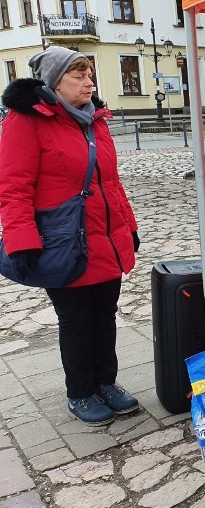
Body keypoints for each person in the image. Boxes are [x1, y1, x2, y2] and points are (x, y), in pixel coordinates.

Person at [0, 46, 140, 427]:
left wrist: (129, 226)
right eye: (78, 76)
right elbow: (13, 187)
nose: (89, 82)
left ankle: (105, 383)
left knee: (105, 316)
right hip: (64, 242)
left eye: (89, 74)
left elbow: (110, 182)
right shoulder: (25, 121)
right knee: (76, 318)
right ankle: (80, 391)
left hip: (105, 239)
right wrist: (21, 239)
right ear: (54, 83)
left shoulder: (96, 119)